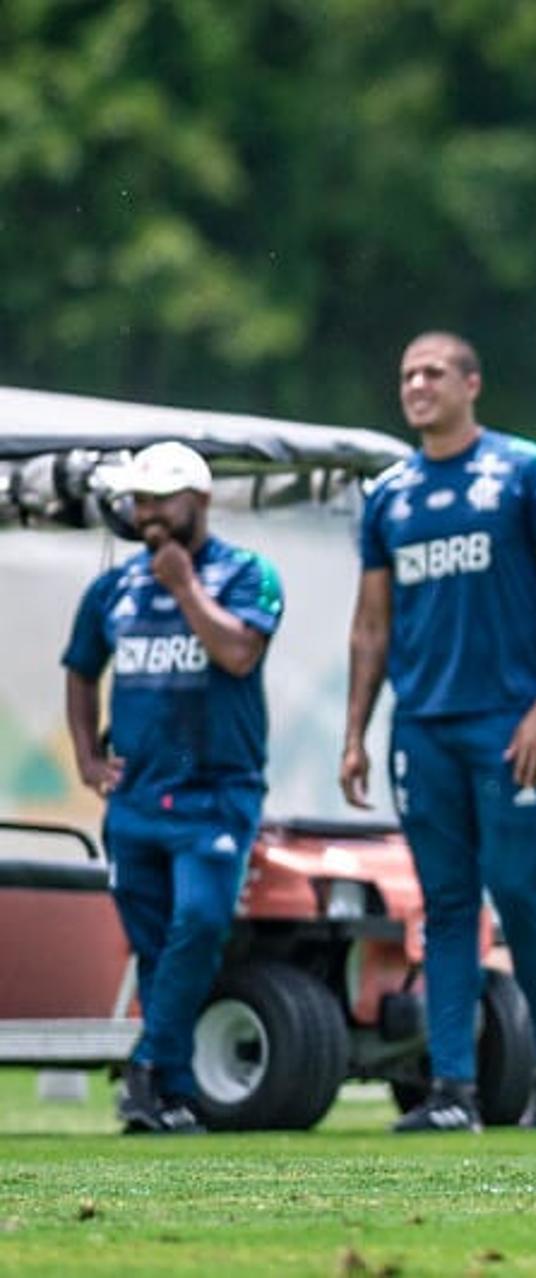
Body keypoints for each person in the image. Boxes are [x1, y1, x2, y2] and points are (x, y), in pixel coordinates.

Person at [341, 331, 536, 1133]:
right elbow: (372, 626)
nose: (417, 385)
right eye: (407, 373)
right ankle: (451, 1089)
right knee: (446, 906)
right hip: (422, 729)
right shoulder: (389, 496)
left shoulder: (524, 473)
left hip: (509, 724)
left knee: (520, 896)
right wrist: (355, 731)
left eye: (433, 372)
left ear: (471, 383)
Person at [62, 442, 286, 1134]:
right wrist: (87, 757)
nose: (147, 515)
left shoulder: (246, 575)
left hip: (215, 794)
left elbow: (238, 652)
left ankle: (149, 1067)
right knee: (155, 946)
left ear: (199, 500)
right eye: (139, 502)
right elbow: (79, 669)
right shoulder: (114, 589)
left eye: (160, 500)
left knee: (199, 923)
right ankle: (172, 1095)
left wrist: (186, 587)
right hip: (135, 800)